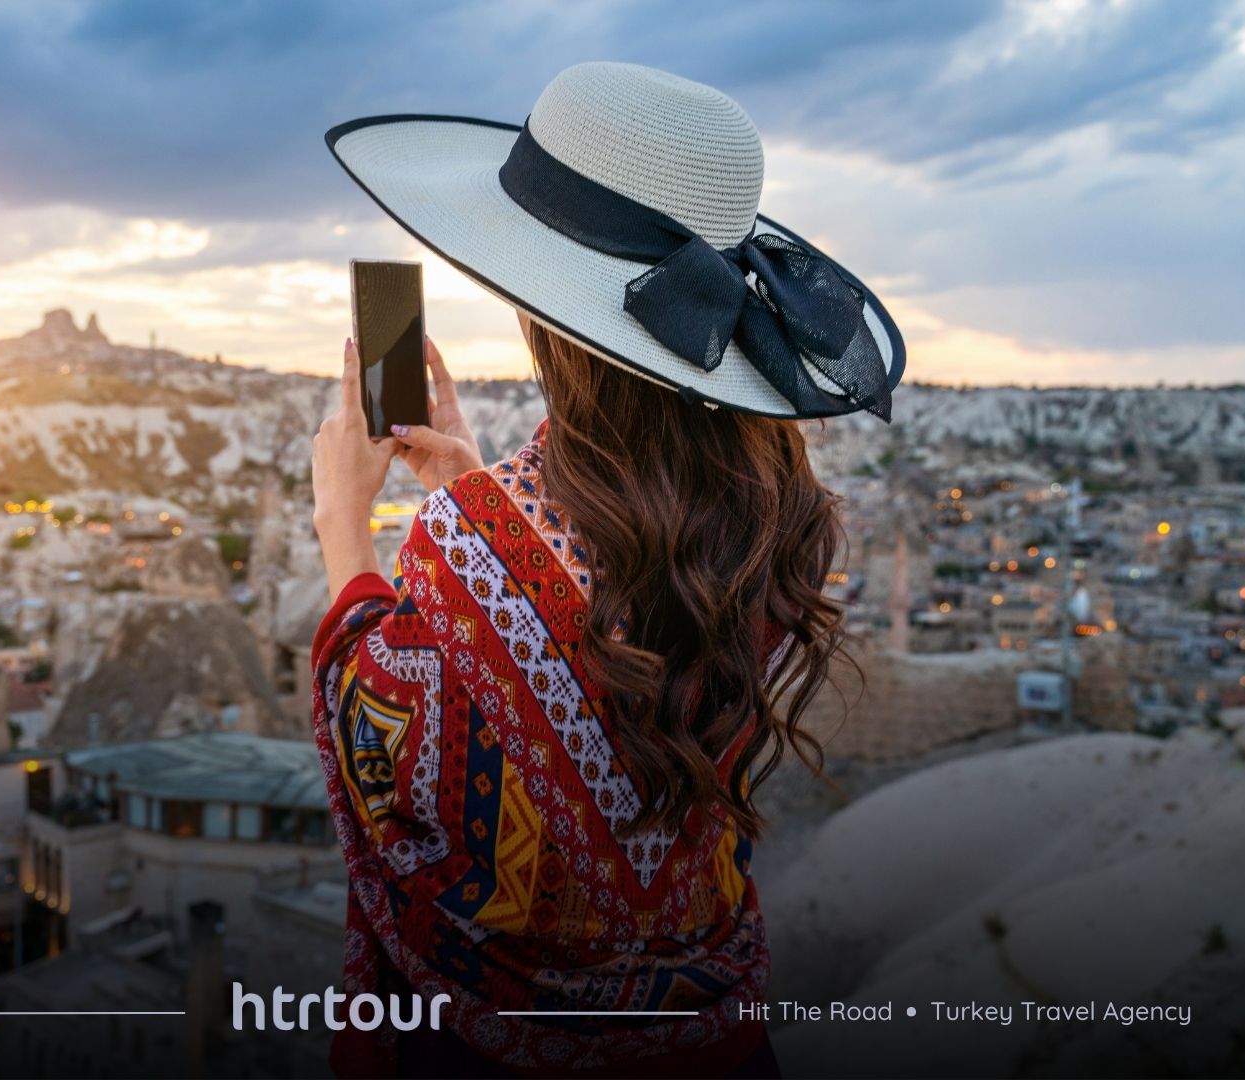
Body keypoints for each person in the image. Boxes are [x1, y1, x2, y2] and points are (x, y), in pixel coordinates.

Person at [308, 62, 905, 1077]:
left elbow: (382, 771)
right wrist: (467, 481)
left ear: (542, 308)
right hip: (711, 1041)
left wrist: (343, 530)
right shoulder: (776, 508)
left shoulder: (474, 546)